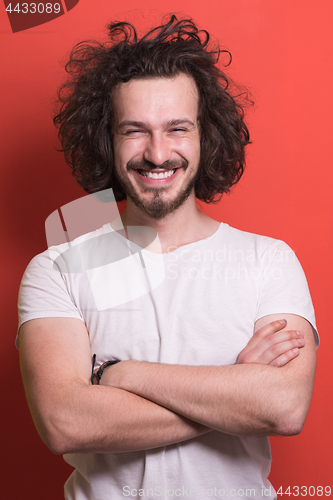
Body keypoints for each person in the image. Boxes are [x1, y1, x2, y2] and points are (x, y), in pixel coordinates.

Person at [18, 15, 317, 500]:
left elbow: (283, 407)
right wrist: (234, 392)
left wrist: (118, 374)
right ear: (107, 139)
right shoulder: (55, 269)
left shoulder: (269, 261)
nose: (158, 154)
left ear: (206, 134)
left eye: (177, 128)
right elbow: (64, 422)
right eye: (134, 130)